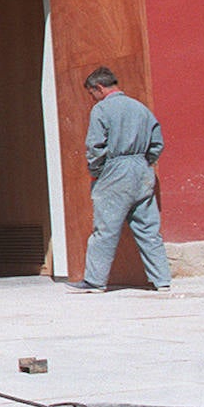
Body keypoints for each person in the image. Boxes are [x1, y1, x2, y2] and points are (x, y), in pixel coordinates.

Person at [67, 67, 171, 293]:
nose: (92, 98)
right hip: (142, 170)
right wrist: (145, 162)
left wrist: (98, 170)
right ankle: (162, 280)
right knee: (148, 229)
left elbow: (95, 147)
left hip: (116, 170)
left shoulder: (101, 110)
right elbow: (157, 144)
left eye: (91, 93)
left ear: (99, 88)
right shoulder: (141, 109)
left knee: (105, 229)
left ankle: (95, 281)